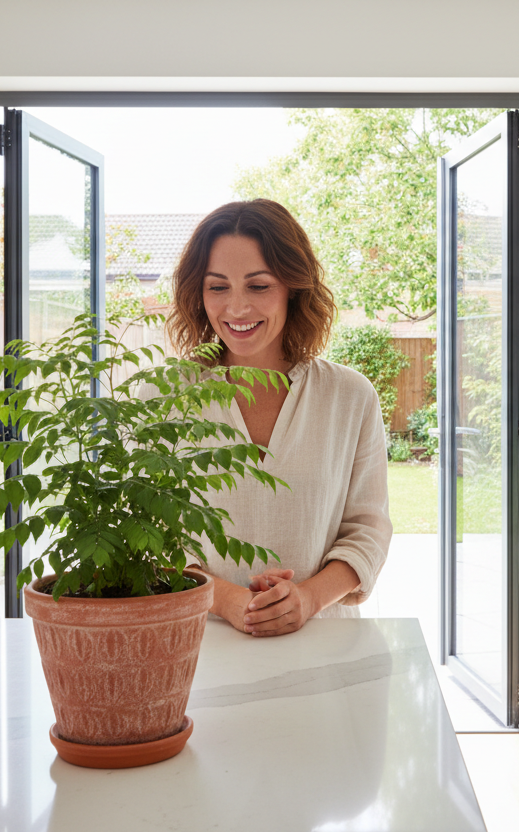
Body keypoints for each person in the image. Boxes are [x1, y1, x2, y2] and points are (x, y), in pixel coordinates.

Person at [166, 199, 391, 637]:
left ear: (293, 287)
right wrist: (230, 601)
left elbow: (368, 528)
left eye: (258, 286)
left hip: (326, 645)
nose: (236, 308)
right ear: (199, 293)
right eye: (217, 287)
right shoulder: (164, 397)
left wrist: (306, 598)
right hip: (198, 646)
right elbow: (153, 534)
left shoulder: (350, 396)